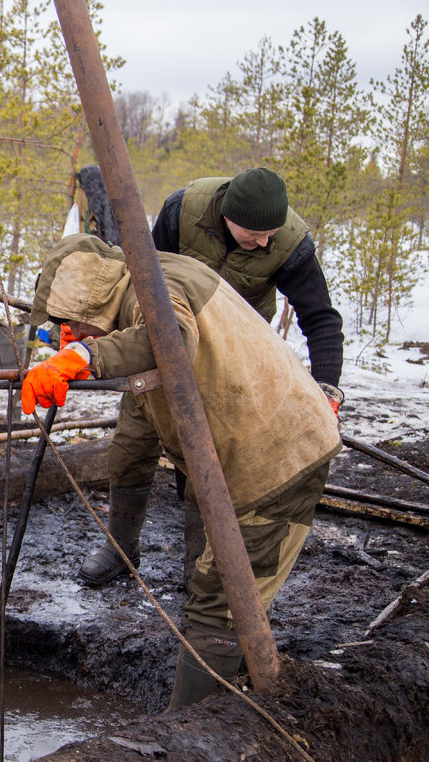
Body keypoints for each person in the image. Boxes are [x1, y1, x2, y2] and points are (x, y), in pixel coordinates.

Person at [21, 233, 341, 708]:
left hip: (279, 458)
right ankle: (220, 697)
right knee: (222, 582)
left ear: (86, 297)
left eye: (69, 326)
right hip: (252, 444)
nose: (68, 336)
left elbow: (170, 338)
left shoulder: (157, 287)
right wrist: (81, 351)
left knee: (221, 599)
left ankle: (190, 730)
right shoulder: (146, 277)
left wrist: (86, 357)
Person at [78, 167, 345, 587]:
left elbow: (322, 320)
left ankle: (199, 567)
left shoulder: (290, 244)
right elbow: (135, 274)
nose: (265, 242)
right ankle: (121, 545)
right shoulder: (182, 211)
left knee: (207, 467)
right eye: (254, 233)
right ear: (227, 214)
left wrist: (327, 391)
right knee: (130, 448)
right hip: (157, 350)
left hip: (229, 367)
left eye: (271, 233)